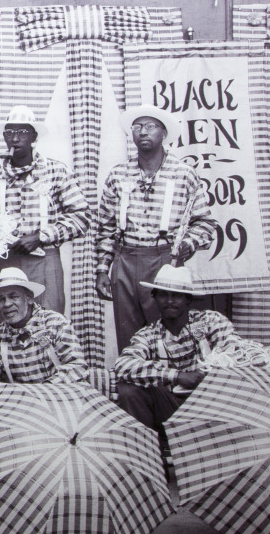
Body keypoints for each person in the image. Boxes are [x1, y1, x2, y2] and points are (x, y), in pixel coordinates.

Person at [94, 105, 220, 353]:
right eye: (137, 127)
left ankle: (169, 386)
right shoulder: (119, 174)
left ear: (164, 133)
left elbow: (206, 223)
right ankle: (134, 385)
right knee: (129, 336)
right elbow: (106, 228)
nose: (143, 132)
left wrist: (187, 244)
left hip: (164, 259)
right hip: (125, 259)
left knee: (166, 332)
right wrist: (102, 270)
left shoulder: (184, 174)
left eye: (150, 126)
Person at [0, 105, 91, 314]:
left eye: (22, 132)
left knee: (48, 322)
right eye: (9, 132)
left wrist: (41, 236)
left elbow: (82, 217)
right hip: (6, 263)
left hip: (45, 260)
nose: (15, 138)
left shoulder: (56, 172)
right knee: (9, 325)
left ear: (34, 136)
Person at [114, 264, 250, 437]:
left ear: (188, 299)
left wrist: (207, 372)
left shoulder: (210, 320)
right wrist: (177, 376)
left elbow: (235, 348)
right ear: (154, 298)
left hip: (210, 403)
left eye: (176, 295)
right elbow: (124, 364)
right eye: (163, 295)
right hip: (171, 407)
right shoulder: (149, 334)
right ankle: (150, 448)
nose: (169, 301)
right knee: (128, 390)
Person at [0, 267, 87, 406]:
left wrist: (40, 392)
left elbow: (77, 367)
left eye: (14, 296)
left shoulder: (55, 323)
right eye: (0, 299)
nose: (6, 304)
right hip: (22, 411)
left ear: (29, 298)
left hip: (61, 403)